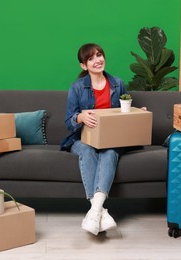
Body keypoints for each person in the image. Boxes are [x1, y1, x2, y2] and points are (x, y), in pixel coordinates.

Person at [60, 43, 127, 235]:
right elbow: (68, 121)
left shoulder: (118, 83)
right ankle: (101, 212)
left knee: (110, 151)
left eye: (99, 55)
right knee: (88, 150)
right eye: (91, 58)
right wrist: (80, 117)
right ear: (84, 65)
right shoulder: (77, 87)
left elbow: (125, 111)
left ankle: (95, 212)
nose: (97, 60)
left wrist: (136, 112)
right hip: (82, 139)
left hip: (111, 139)